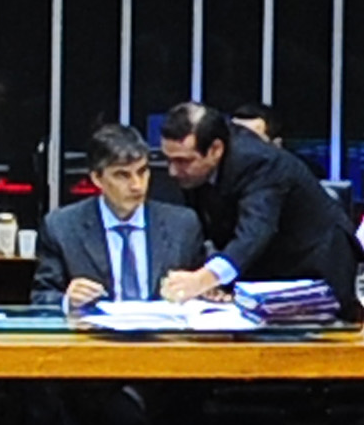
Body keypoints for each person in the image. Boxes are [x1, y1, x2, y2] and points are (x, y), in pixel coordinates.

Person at [146, 99, 352, 290]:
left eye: (183, 161)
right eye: (169, 159)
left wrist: (206, 278)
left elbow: (254, 232)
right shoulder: (195, 170)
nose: (172, 171)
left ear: (215, 149)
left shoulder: (259, 162)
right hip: (260, 270)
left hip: (314, 265)